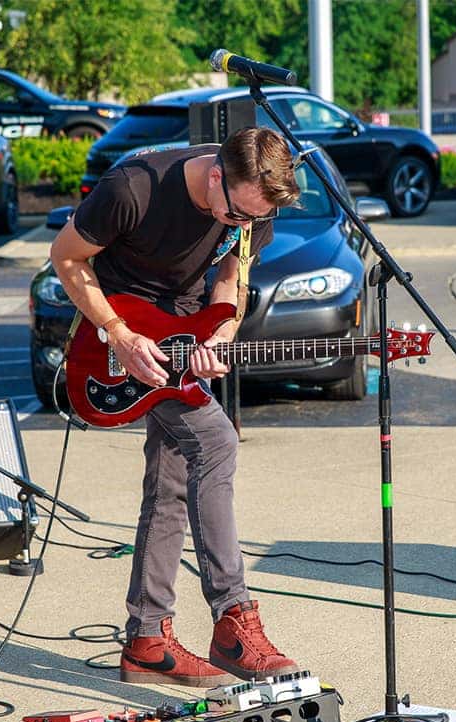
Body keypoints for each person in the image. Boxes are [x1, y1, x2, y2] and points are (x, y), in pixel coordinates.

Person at [48, 127, 302, 687]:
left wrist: (221, 332)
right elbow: (65, 258)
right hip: (116, 339)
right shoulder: (133, 188)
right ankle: (233, 618)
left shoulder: (256, 202)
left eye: (252, 220)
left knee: (171, 481)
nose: (241, 225)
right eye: (236, 213)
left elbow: (233, 274)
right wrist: (116, 332)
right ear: (217, 175)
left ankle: (146, 640)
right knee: (215, 441)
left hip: (184, 335)